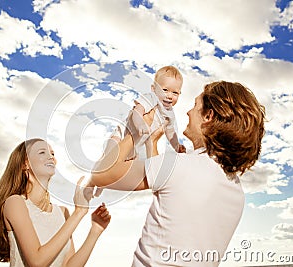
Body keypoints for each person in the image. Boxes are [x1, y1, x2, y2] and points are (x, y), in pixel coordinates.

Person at [90, 81, 265, 266]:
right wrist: (152, 144)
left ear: (208, 116)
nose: (188, 112)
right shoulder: (235, 190)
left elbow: (100, 174)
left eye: (195, 106)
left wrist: (135, 133)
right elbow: (169, 196)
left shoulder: (178, 166)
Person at [0, 138, 111, 267]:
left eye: (52, 153)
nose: (51, 157)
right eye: (42, 152)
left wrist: (95, 230)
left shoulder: (62, 212)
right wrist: (79, 212)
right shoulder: (15, 203)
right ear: (25, 164)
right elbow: (37, 262)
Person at [110, 66, 186, 160]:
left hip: (136, 147)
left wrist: (176, 146)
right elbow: (137, 110)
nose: (169, 96)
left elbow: (170, 132)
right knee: (111, 155)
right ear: (154, 89)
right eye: (165, 90)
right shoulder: (151, 98)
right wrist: (140, 123)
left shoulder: (170, 113)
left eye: (175, 93)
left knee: (129, 166)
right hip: (121, 135)